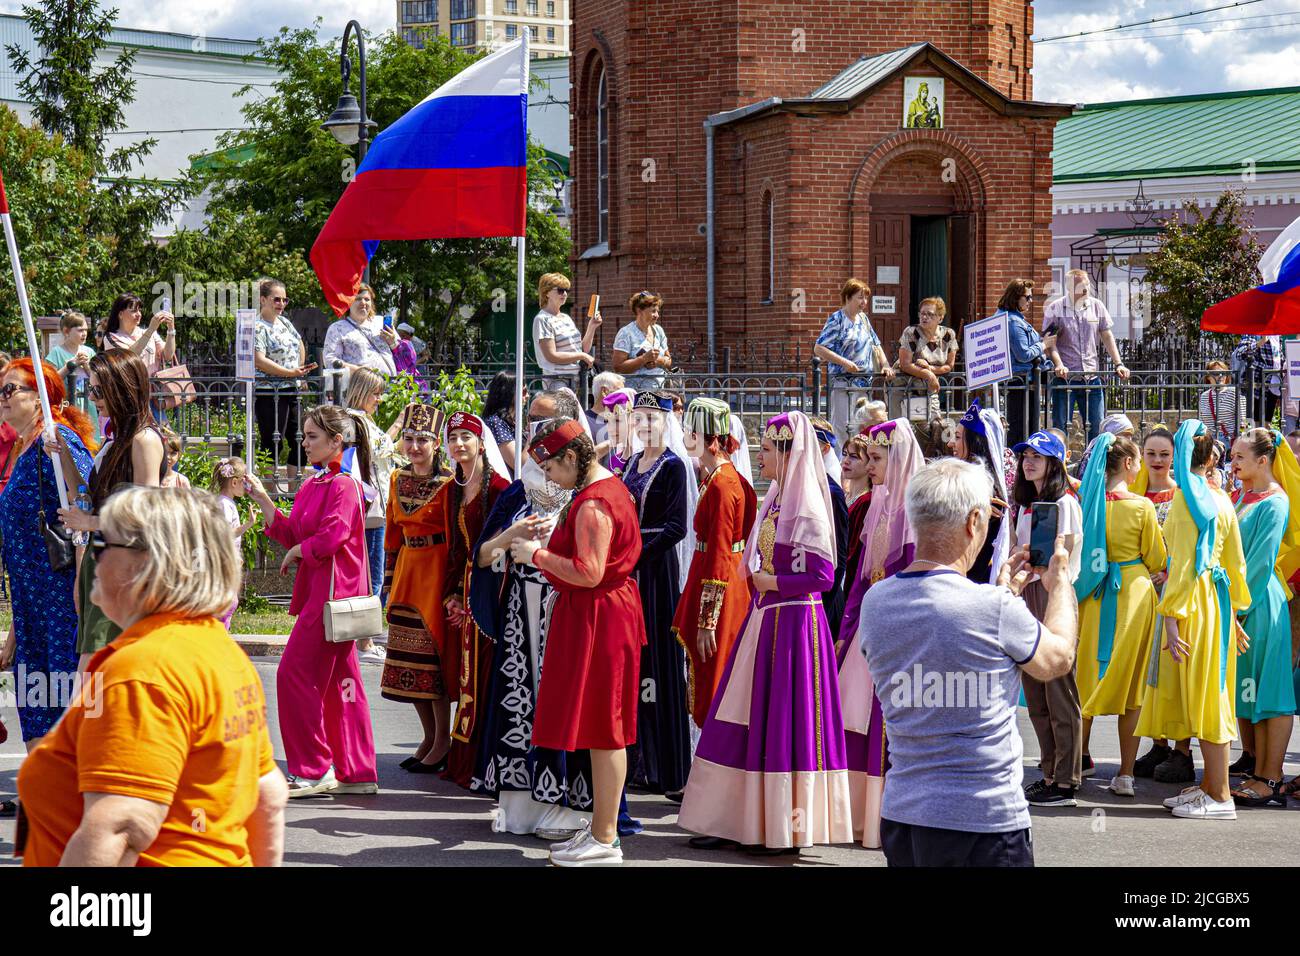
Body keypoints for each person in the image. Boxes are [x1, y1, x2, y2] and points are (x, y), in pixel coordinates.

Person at [15, 486, 289, 866]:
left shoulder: (142, 669)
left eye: (102, 545)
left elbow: (120, 824)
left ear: (149, 563)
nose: (93, 558)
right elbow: (268, 796)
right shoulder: (223, 653)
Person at [859, 458, 1078, 867]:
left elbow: (947, 635)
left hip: (905, 814)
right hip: (983, 821)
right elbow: (1058, 658)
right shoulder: (991, 609)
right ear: (973, 520)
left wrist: (1004, 595)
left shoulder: (877, 603)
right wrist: (1060, 584)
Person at [678, 411, 853, 855]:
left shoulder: (809, 505)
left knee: (780, 722)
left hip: (795, 625)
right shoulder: (775, 498)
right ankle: (733, 816)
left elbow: (824, 576)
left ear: (789, 454)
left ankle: (780, 826)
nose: (761, 456)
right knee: (738, 715)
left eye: (769, 449)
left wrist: (772, 583)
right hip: (766, 618)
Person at [510, 418, 646, 866]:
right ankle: (602, 829)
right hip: (599, 614)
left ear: (571, 458)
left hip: (600, 618)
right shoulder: (599, 492)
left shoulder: (594, 501)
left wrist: (538, 555)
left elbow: (588, 572)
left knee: (606, 730)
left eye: (551, 467)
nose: (548, 476)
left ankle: (606, 838)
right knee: (598, 726)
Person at [470, 412, 595, 839]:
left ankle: (566, 807)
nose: (545, 471)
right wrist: (512, 534)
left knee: (564, 703)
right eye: (539, 462)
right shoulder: (518, 494)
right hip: (520, 617)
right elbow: (482, 557)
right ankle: (522, 809)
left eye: (551, 462)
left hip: (565, 608)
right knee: (521, 703)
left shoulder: (585, 496)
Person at [245, 405, 379, 797]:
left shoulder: (344, 485)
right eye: (304, 435)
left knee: (293, 675)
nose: (304, 443)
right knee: (343, 684)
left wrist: (300, 551)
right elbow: (290, 532)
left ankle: (314, 768)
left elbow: (333, 536)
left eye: (312, 437)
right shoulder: (315, 483)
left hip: (332, 594)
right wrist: (262, 498)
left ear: (337, 441)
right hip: (322, 593)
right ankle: (356, 771)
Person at [1135, 421, 1250, 821]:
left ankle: (1219, 796)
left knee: (1206, 696)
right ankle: (1208, 787)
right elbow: (1235, 564)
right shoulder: (1219, 498)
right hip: (1214, 603)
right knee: (1208, 691)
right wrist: (1232, 614)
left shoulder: (1186, 501)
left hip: (1194, 604)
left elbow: (1181, 567)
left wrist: (1170, 618)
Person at [0, 359, 95, 792]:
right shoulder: (19, 448)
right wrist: (13, 633)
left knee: (64, 692)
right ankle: (47, 798)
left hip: (60, 592)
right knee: (33, 692)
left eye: (11, 390)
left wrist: (80, 578)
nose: (3, 398)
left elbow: (88, 501)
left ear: (41, 395)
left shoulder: (57, 439)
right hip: (28, 599)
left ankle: (75, 793)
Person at [839, 417, 923, 849]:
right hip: (867, 626)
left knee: (886, 724)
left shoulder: (912, 510)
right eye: (867, 457)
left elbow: (910, 574)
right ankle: (857, 815)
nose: (869, 465)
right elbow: (858, 578)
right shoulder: (876, 504)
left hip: (896, 627)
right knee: (855, 719)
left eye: (876, 457)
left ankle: (888, 818)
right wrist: (847, 628)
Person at [54, 349, 167, 663]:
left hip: (128, 570)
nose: (94, 397)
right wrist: (62, 453)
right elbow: (86, 496)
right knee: (95, 677)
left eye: (100, 390)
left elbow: (145, 515)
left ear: (123, 388)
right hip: (100, 564)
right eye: (91, 389)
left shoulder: (144, 440)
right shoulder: (113, 441)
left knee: (100, 675)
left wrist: (88, 524)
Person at [1074, 434, 1166, 797]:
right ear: (1128, 464)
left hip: (1093, 596)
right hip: (1133, 592)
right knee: (1131, 688)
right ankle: (1126, 773)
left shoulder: (1087, 504)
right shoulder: (1141, 507)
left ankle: (1078, 761)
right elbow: (1156, 558)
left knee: (1084, 679)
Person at [621, 391, 693, 795]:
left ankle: (664, 764)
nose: (644, 424)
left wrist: (635, 554)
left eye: (651, 418)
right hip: (629, 568)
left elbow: (676, 528)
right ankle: (636, 759)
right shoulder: (632, 462)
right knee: (634, 661)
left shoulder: (673, 466)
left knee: (658, 662)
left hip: (655, 570)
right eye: (639, 418)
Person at [673, 398, 758, 739]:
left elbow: (721, 553)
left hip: (720, 588)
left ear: (707, 438)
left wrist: (708, 620)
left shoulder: (723, 484)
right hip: (716, 577)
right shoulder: (718, 477)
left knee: (716, 676)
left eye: (690, 431)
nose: (684, 436)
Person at [1008, 431, 1085, 805]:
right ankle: (1050, 769)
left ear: (1054, 462)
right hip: (1027, 590)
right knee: (1035, 690)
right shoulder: (1023, 504)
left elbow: (1065, 554)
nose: (1029, 462)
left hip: (1053, 592)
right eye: (1025, 456)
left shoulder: (1064, 502)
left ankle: (1067, 778)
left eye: (1038, 456)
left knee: (1059, 687)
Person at [378, 404, 454, 773]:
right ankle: (429, 737)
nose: (415, 446)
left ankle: (443, 740)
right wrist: (388, 585)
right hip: (408, 571)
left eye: (423, 439)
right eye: (409, 438)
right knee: (410, 666)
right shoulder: (395, 479)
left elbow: (459, 539)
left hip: (436, 573)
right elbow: (392, 537)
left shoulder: (450, 483)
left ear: (437, 442)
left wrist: (455, 587)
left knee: (433, 662)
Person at [1225, 428, 1299, 807]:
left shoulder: (1275, 502)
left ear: (1263, 460)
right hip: (1244, 600)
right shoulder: (1244, 496)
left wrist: (1237, 608)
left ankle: (1270, 777)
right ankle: (1258, 770)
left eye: (1239, 456)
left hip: (1259, 602)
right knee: (1250, 690)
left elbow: (1259, 563)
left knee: (1270, 692)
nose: (1233, 462)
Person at [438, 411, 511, 789]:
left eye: (466, 437)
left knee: (485, 671)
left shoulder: (499, 487)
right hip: (465, 584)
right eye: (453, 439)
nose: (459, 444)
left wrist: (476, 596)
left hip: (492, 588)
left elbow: (503, 550)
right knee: (466, 673)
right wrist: (452, 594)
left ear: (481, 442)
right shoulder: (454, 487)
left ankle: (484, 762)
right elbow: (455, 548)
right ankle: (463, 758)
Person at [1129, 425, 1193, 783]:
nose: (1156, 461)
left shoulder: (1182, 495)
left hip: (1172, 593)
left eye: (1163, 454)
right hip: (1141, 594)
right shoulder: (1134, 493)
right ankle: (1159, 743)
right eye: (1151, 454)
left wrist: (1167, 573)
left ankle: (1184, 750)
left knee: (1174, 671)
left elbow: (1185, 546)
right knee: (1147, 673)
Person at [344, 368, 404, 663]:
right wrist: (399, 424)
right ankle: (364, 643)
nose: (379, 399)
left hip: (372, 507)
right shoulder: (355, 420)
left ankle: (367, 634)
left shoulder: (356, 419)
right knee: (372, 576)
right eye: (376, 393)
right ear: (363, 391)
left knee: (372, 574)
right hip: (369, 509)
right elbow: (381, 448)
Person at [1043, 269, 1130, 443]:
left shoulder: (1096, 305)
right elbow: (1049, 342)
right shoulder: (1056, 308)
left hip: (1091, 376)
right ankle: (1060, 465)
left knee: (1097, 426)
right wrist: (1058, 364)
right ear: (1069, 288)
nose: (1086, 289)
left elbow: (1106, 335)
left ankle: (1092, 463)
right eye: (1081, 286)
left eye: (1087, 285)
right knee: (1061, 426)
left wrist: (1118, 363)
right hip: (1065, 378)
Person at [814, 279, 893, 441]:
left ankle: (859, 459)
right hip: (843, 382)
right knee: (843, 426)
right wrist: (845, 363)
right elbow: (819, 348)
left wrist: (885, 365)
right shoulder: (837, 319)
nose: (864, 302)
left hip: (864, 383)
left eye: (866, 298)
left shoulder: (863, 320)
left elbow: (876, 345)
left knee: (862, 425)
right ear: (848, 297)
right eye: (860, 297)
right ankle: (842, 462)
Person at [252, 278, 313, 488]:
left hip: (291, 389)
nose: (281, 304)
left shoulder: (285, 322)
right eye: (276, 299)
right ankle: (269, 493)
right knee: (272, 442)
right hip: (269, 393)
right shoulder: (258, 327)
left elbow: (299, 344)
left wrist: (300, 370)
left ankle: (295, 492)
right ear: (263, 300)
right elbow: (259, 360)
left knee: (299, 439)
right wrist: (289, 372)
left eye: (284, 300)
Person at [950, 400, 1011, 583]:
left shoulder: (984, 486)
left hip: (971, 577)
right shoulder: (965, 480)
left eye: (959, 437)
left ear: (974, 442)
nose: (951, 443)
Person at [1000, 280, 1054, 446]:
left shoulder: (1013, 319)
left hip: (1024, 381)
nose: (1030, 301)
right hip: (1021, 381)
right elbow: (1023, 354)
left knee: (1025, 429)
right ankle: (1018, 466)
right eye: (1028, 297)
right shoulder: (1013, 322)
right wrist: (1044, 344)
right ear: (1016, 297)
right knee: (1021, 431)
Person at [810, 416, 850, 641]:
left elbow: (839, 555)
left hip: (825, 599)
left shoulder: (832, 492)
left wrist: (823, 601)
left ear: (825, 448)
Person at [533, 273, 600, 390]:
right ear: (547, 292)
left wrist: (592, 326)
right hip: (557, 380)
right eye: (560, 290)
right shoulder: (542, 319)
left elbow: (582, 349)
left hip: (577, 379)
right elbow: (551, 356)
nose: (564, 294)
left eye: (566, 290)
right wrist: (582, 356)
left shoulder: (566, 318)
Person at [896, 297, 957, 421]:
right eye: (922, 313)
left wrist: (929, 369)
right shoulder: (911, 332)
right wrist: (929, 375)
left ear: (940, 318)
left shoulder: (948, 335)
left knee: (934, 425)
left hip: (928, 387)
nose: (924, 317)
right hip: (902, 386)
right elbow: (905, 364)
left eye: (930, 314)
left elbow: (949, 365)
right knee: (901, 427)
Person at [212, 457, 256, 630]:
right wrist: (248, 524)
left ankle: (221, 633)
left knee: (228, 601)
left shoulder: (225, 503)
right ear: (234, 482)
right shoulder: (224, 504)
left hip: (226, 559)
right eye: (244, 481)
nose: (246, 486)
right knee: (228, 602)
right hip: (224, 561)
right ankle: (219, 636)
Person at [322, 283, 397, 375]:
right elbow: (330, 360)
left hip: (390, 385)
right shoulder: (337, 328)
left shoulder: (381, 322)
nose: (363, 302)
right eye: (357, 299)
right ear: (348, 302)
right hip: (359, 385)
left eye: (367, 299)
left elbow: (399, 351)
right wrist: (358, 370)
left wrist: (393, 343)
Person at [45, 310, 99, 436]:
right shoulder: (56, 353)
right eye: (80, 330)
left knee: (90, 439)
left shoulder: (89, 352)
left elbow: (97, 378)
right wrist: (70, 365)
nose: (84, 333)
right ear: (66, 331)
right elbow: (51, 381)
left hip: (88, 403)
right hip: (67, 404)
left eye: (86, 330)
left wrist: (86, 366)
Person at [104, 293, 176, 378]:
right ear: (120, 314)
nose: (139, 314)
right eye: (134, 311)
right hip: (129, 389)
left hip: (152, 389)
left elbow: (168, 356)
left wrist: (171, 328)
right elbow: (128, 358)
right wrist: (150, 330)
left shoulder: (149, 333)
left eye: (139, 310)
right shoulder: (111, 337)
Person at [612, 291, 672, 392]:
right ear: (639, 311)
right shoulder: (626, 333)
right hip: (636, 395)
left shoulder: (658, 330)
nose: (657, 315)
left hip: (660, 392)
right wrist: (643, 359)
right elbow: (618, 367)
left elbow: (669, 360)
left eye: (657, 311)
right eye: (653, 311)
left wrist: (659, 361)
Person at [1232, 334, 1282, 427]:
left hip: (1272, 384)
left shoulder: (1276, 335)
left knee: (1266, 424)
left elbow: (1278, 358)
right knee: (1250, 423)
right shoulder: (1253, 333)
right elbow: (1240, 354)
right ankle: (1249, 440)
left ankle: (1262, 441)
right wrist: (1260, 343)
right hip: (1255, 383)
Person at [482, 371, 525, 473]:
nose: (527, 396)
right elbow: (519, 466)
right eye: (523, 392)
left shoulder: (511, 422)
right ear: (508, 393)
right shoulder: (496, 423)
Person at [1200, 360, 1245, 447]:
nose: (1220, 376)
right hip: (1209, 440)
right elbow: (1202, 422)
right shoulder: (1204, 396)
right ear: (1208, 377)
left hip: (1228, 440)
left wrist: (1242, 441)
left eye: (1223, 373)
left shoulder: (1235, 393)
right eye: (1216, 374)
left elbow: (1245, 420)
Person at [587, 370, 625, 446]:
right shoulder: (584, 421)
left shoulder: (624, 420)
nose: (624, 396)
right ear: (604, 391)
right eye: (619, 391)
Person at [392, 321, 429, 391]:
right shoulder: (398, 341)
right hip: (405, 372)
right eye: (399, 335)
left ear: (409, 335)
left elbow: (425, 357)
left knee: (421, 392)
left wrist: (413, 364)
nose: (400, 337)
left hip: (419, 370)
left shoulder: (416, 341)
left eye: (403, 335)